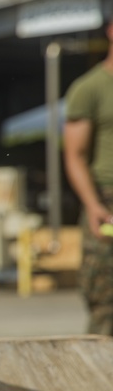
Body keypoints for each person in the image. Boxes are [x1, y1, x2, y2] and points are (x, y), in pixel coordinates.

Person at [63, 18, 113, 336]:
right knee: (106, 301)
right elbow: (75, 156)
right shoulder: (90, 87)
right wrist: (94, 205)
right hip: (108, 201)